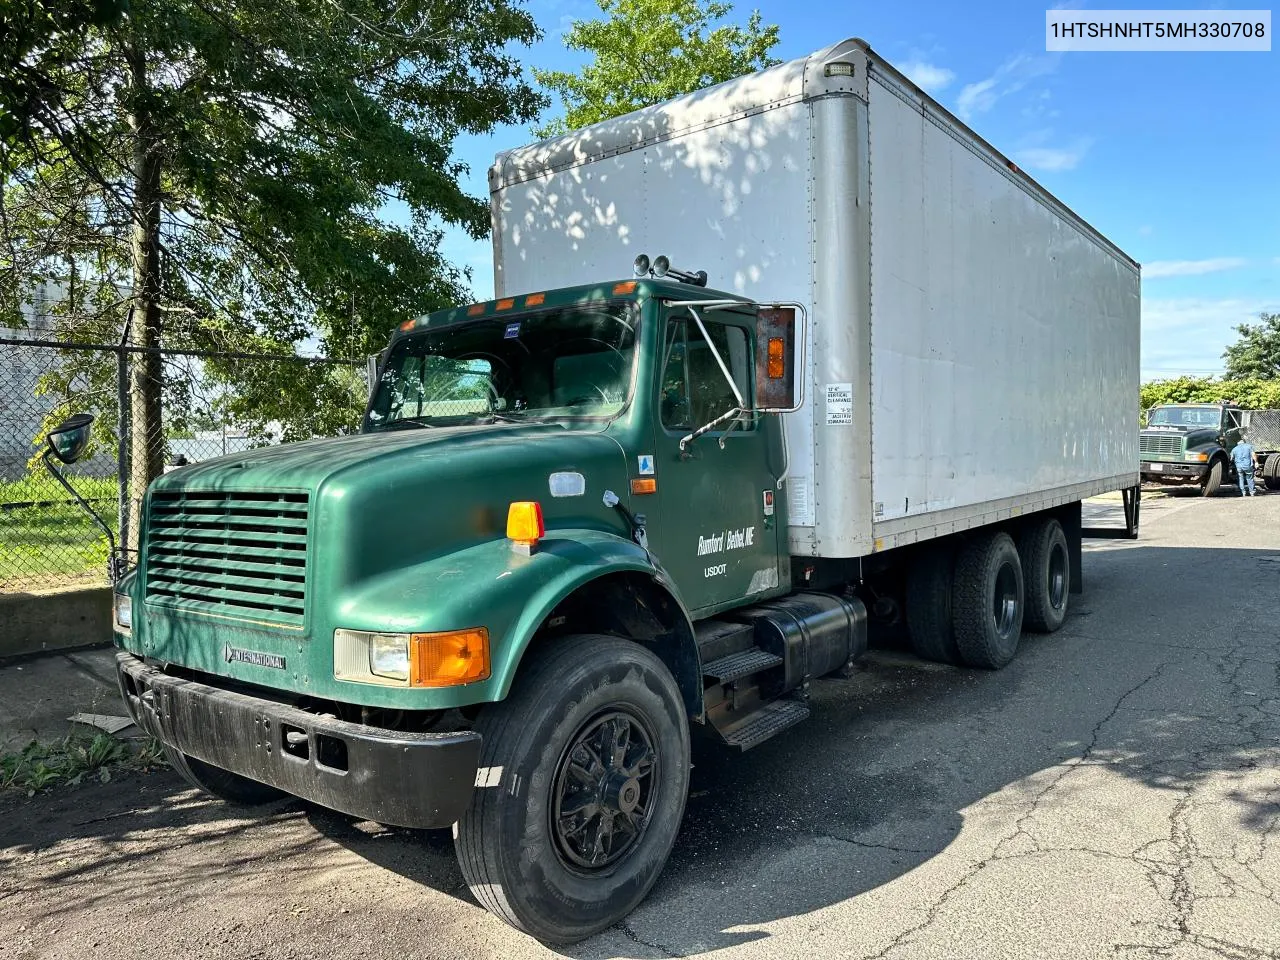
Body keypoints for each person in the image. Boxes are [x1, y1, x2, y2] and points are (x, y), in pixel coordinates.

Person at [1230, 432, 1259, 497]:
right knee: (1250, 478)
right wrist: (1256, 462)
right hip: (1247, 465)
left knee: (1241, 478)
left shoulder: (1234, 449)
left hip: (1239, 467)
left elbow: (1231, 459)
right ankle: (1252, 492)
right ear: (1243, 442)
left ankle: (1243, 492)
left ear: (1238, 443)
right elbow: (1253, 454)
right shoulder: (1249, 446)